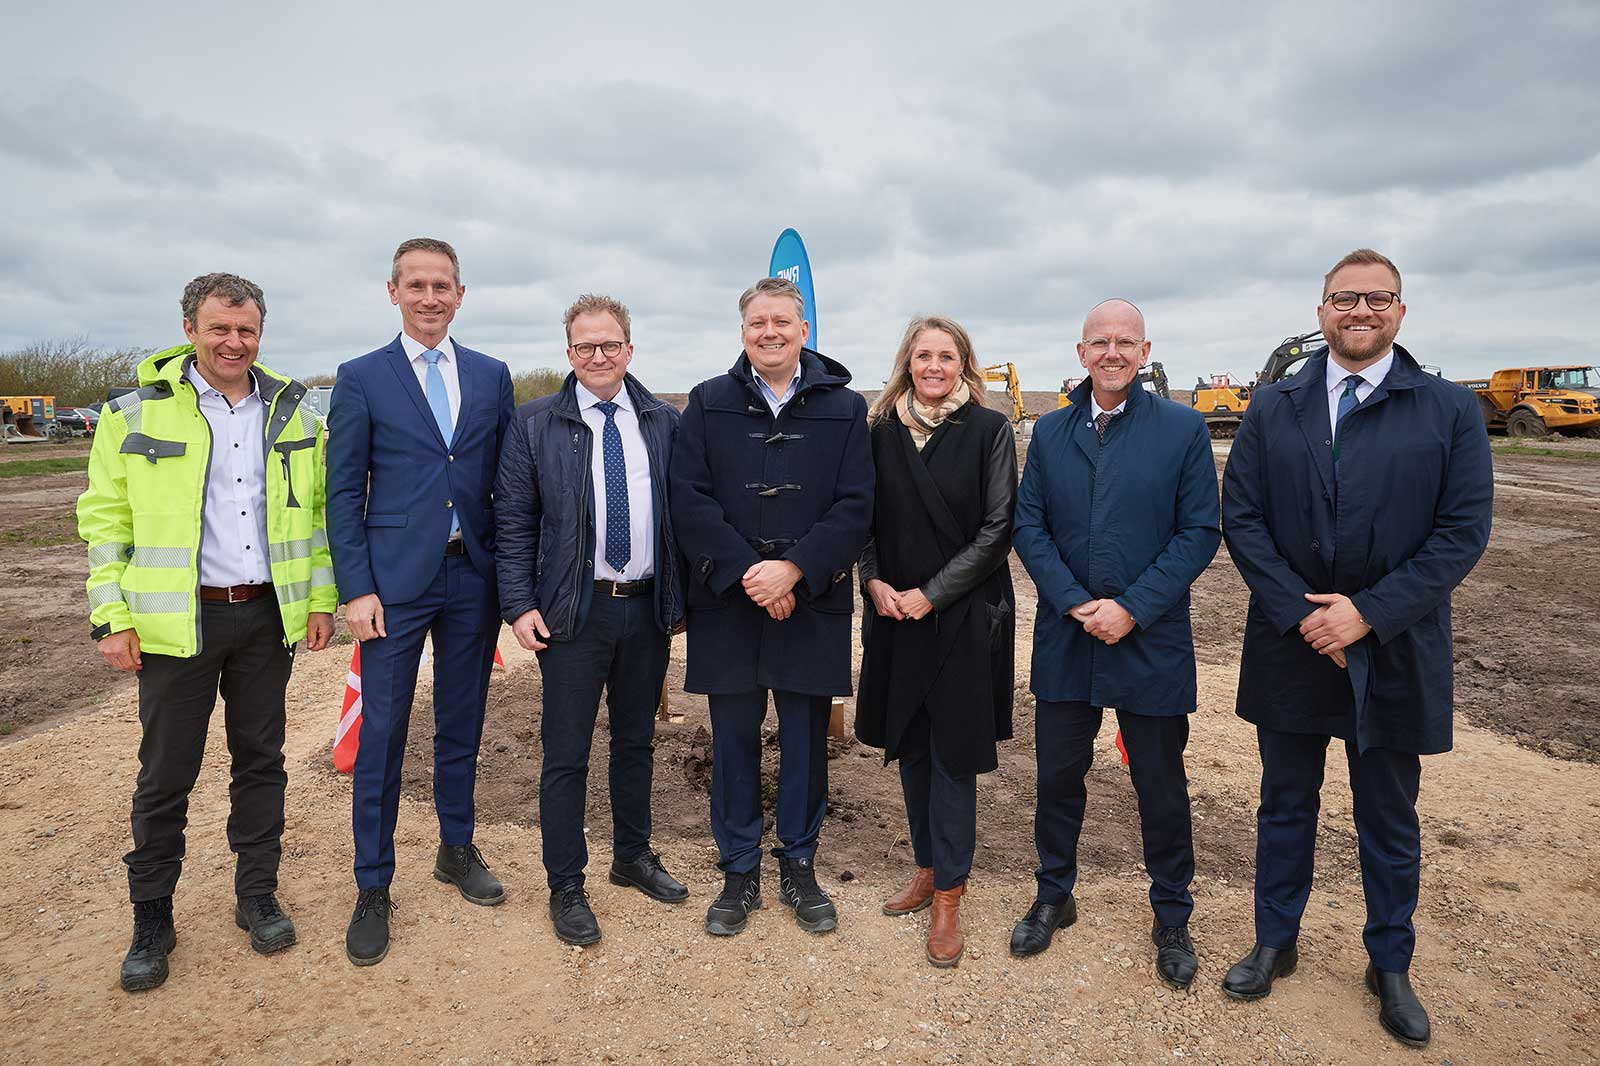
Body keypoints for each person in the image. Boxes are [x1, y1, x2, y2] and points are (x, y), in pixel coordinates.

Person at [1219, 249, 1492, 1048]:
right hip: (1293, 642)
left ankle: (1390, 963)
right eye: (1346, 298)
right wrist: (1309, 618)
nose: (1360, 311)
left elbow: (1461, 532)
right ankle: (1277, 939)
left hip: (1395, 647)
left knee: (1387, 815)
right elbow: (1245, 518)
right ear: (1321, 310)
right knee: (1285, 803)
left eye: (1379, 299)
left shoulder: (1446, 410)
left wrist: (1367, 615)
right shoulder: (1274, 406)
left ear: (1402, 312)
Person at [78, 273, 336, 992]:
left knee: (261, 760)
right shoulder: (133, 414)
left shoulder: (293, 414)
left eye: (246, 330)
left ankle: (256, 893)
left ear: (261, 333)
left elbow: (314, 519)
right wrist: (112, 615)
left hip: (263, 617)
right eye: (219, 328)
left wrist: (318, 603)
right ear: (190, 327)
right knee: (166, 775)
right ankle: (151, 915)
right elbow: (105, 523)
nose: (233, 342)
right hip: (173, 623)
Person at [1010, 298, 1220, 989]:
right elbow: (1029, 527)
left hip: (1149, 639)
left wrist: (1132, 607)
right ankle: (1053, 894)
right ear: (1080, 353)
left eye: (1125, 343)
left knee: (1160, 784)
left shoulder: (1183, 430)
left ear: (1144, 350)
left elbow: (1198, 532)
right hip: (1068, 639)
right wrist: (1073, 602)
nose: (1112, 353)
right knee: (1057, 777)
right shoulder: (1050, 432)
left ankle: (1172, 913)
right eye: (1099, 342)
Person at [326, 237, 515, 966]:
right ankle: (373, 884)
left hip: (472, 580)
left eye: (443, 285)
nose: (430, 297)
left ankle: (456, 848)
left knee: (461, 724)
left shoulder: (493, 376)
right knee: (382, 736)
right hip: (394, 587)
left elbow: (508, 482)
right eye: (417, 285)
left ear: (460, 295)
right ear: (393, 292)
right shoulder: (361, 378)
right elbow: (342, 493)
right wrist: (357, 588)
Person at [670, 276, 873, 938]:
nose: (770, 333)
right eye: (757, 323)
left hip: (809, 603)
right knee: (731, 742)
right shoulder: (706, 403)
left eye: (782, 322)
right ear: (743, 332)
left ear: (804, 331)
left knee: (806, 741)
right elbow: (689, 498)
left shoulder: (845, 409)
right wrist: (748, 573)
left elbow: (856, 505)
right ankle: (738, 870)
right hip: (729, 603)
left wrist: (793, 570)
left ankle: (800, 864)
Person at [494, 294, 688, 946]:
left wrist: (682, 597)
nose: (599, 356)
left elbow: (683, 516)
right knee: (567, 755)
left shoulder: (664, 420)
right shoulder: (534, 424)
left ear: (629, 349)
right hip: (572, 616)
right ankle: (566, 884)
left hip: (645, 611)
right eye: (585, 346)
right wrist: (519, 605)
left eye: (610, 345)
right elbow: (514, 522)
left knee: (636, 744)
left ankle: (631, 857)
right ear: (569, 353)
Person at [855, 316, 1016, 968]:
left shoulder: (988, 430)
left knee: (952, 754)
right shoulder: (880, 432)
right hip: (894, 616)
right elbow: (861, 520)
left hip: (962, 616)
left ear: (963, 364)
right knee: (912, 747)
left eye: (946, 356)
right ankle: (925, 867)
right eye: (923, 355)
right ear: (907, 362)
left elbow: (999, 526)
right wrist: (873, 584)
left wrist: (932, 594)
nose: (933, 366)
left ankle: (949, 891)